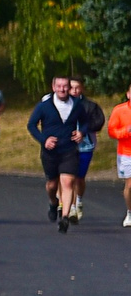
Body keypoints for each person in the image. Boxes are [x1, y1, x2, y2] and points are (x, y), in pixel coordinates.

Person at [27, 75, 95, 231]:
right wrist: (44, 140)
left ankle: (64, 218)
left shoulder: (76, 105)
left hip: (69, 150)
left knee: (68, 183)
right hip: (50, 152)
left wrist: (81, 133)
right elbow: (31, 125)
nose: (63, 89)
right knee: (52, 185)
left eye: (65, 86)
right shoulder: (44, 106)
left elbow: (85, 122)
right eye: (59, 86)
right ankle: (53, 203)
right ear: (53, 87)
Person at [68, 77, 97, 217]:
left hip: (85, 147)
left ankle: (78, 200)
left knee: (79, 178)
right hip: (67, 147)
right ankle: (71, 207)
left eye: (77, 87)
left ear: (82, 89)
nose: (74, 90)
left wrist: (83, 131)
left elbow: (98, 122)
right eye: (71, 87)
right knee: (70, 177)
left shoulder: (90, 106)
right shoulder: (62, 105)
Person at [110, 81, 131, 227]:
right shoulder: (119, 110)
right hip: (126, 153)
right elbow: (112, 131)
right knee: (130, 185)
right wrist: (126, 132)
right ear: (128, 94)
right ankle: (129, 212)